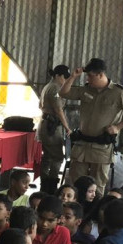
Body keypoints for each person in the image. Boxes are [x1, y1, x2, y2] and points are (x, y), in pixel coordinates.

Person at [61, 58, 123, 192]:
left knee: (97, 186)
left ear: (100, 75)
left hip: (101, 146)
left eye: (91, 76)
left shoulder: (118, 92)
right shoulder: (86, 89)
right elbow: (63, 93)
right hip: (82, 145)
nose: (88, 79)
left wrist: (117, 127)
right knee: (76, 183)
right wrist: (73, 76)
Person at [38, 64, 72, 194]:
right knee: (57, 157)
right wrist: (67, 127)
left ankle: (44, 185)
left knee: (47, 157)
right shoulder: (56, 88)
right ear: (58, 75)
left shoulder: (47, 86)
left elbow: (40, 105)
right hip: (52, 126)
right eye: (64, 77)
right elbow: (58, 109)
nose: (65, 80)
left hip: (45, 124)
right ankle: (51, 186)